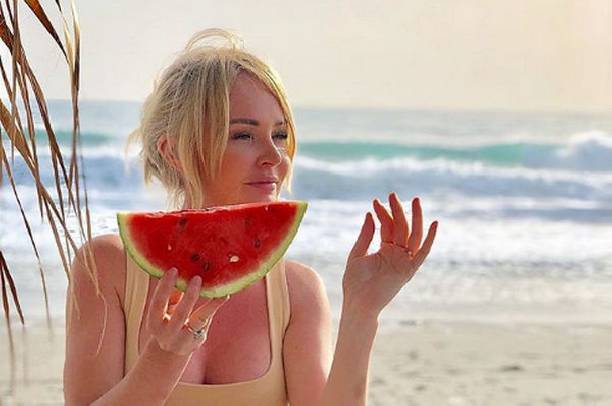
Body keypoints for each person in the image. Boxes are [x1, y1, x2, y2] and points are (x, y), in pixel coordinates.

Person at [63, 28, 437, 406]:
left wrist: (363, 311)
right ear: (173, 151)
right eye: (243, 135)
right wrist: (163, 358)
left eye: (280, 135)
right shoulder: (106, 268)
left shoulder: (298, 292)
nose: (274, 157)